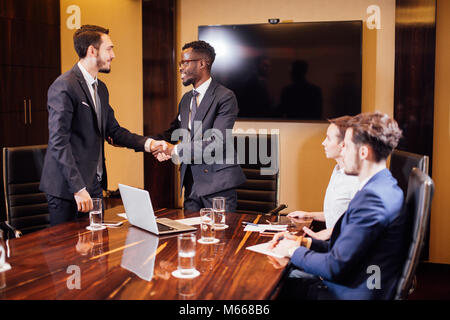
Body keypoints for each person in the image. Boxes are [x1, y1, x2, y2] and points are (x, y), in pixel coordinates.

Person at [270, 112, 405, 300]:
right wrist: (301, 242)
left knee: (274, 285)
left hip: (348, 292)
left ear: (363, 152)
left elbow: (335, 266)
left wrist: (292, 251)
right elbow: (346, 250)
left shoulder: (373, 200)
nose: (343, 150)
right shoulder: (382, 186)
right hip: (353, 278)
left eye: (347, 146)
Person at [40, 25, 164, 226]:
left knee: (96, 249)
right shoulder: (64, 85)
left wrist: (150, 144)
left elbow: (113, 131)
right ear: (92, 50)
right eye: (109, 49)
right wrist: (78, 188)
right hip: (68, 189)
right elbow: (58, 142)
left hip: (94, 185)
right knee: (65, 255)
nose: (113, 55)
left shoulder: (101, 88)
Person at [150, 40, 246, 212]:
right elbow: (173, 132)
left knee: (220, 237)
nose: (180, 68)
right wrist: (149, 143)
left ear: (202, 63)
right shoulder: (186, 99)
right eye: (180, 63)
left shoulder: (225, 97)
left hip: (218, 186)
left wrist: (174, 150)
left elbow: (217, 141)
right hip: (191, 184)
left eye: (184, 62)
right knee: (190, 237)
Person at [288, 116, 360, 241]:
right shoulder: (338, 170)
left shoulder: (357, 180)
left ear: (343, 145)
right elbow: (337, 215)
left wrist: (328, 233)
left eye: (328, 138)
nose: (323, 143)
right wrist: (309, 215)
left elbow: (359, 227)